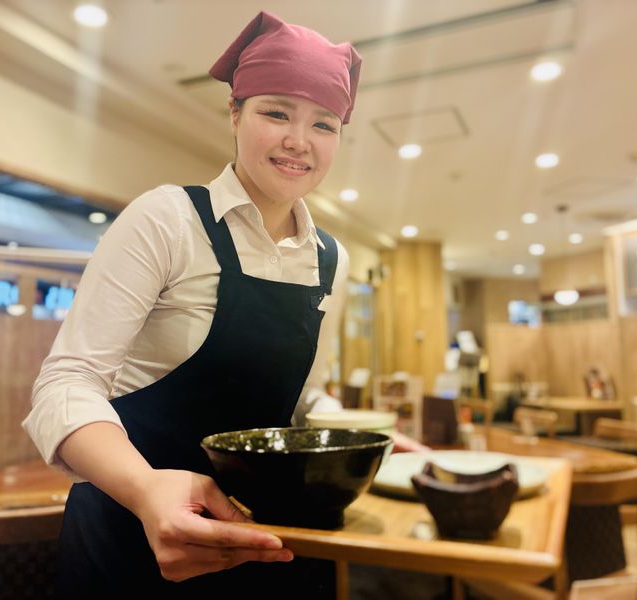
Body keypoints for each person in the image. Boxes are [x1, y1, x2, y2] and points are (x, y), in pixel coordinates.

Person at [23, 11, 425, 598]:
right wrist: (144, 489)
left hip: (261, 537)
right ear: (234, 113)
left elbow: (301, 400)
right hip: (132, 535)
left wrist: (369, 438)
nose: (299, 140)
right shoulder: (167, 219)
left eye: (324, 123)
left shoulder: (330, 259)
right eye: (276, 113)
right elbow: (67, 382)